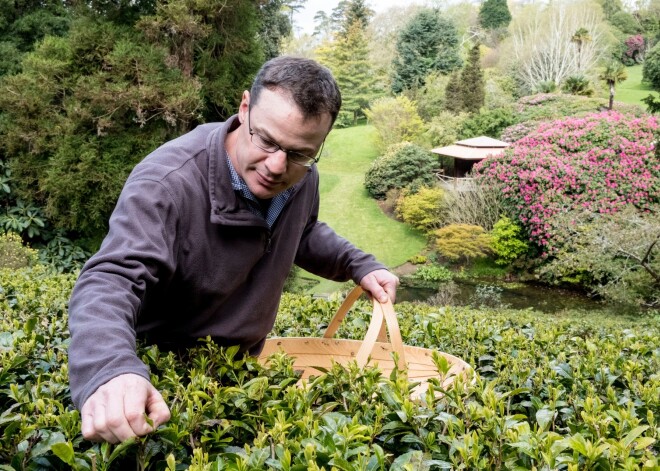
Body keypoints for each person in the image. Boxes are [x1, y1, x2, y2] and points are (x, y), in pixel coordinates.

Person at [68, 56, 399, 444]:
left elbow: (302, 232)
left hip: (241, 369)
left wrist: (358, 265)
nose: (277, 166)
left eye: (298, 153)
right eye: (267, 140)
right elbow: (111, 280)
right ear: (244, 109)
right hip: (163, 382)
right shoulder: (167, 183)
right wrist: (110, 369)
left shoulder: (302, 175)